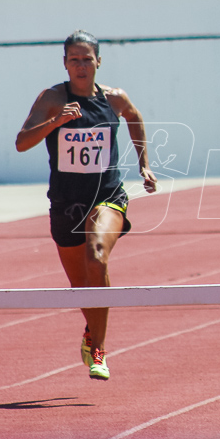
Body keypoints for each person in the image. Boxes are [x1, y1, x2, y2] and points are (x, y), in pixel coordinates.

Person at [16, 30, 157, 380]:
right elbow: (21, 143)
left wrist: (144, 163)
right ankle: (91, 331)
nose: (81, 65)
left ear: (98, 62)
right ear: (65, 63)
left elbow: (135, 118)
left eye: (87, 59)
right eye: (74, 59)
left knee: (97, 255)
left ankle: (98, 347)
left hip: (107, 195)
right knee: (82, 285)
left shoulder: (114, 98)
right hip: (65, 202)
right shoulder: (52, 98)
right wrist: (56, 121)